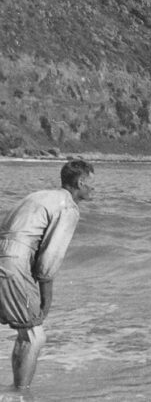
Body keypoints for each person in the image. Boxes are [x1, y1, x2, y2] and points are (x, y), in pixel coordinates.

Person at [0, 159, 94, 390]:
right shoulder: (68, 207)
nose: (94, 188)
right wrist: (46, 301)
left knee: (25, 330)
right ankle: (19, 395)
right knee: (33, 334)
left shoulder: (37, 196)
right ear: (80, 182)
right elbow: (48, 262)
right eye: (91, 183)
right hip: (13, 263)